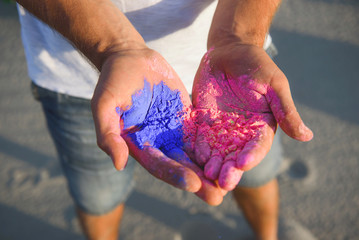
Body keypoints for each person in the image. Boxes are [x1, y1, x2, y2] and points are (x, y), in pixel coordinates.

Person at [15, 0, 313, 239]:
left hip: (237, 78)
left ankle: (267, 235)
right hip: (83, 80)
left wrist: (239, 37)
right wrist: (115, 47)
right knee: (98, 195)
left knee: (252, 170)